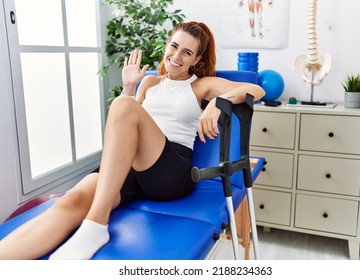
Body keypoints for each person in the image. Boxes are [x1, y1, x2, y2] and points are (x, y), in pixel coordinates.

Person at [0, 21, 264, 260]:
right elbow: (123, 129)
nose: (176, 56)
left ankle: (95, 225)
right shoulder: (149, 83)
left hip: (170, 171)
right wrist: (129, 87)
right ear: (166, 45)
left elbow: (256, 89)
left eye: (187, 52)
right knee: (73, 199)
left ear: (196, 59)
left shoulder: (200, 85)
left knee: (123, 105)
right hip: (131, 169)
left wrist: (219, 101)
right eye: (174, 46)